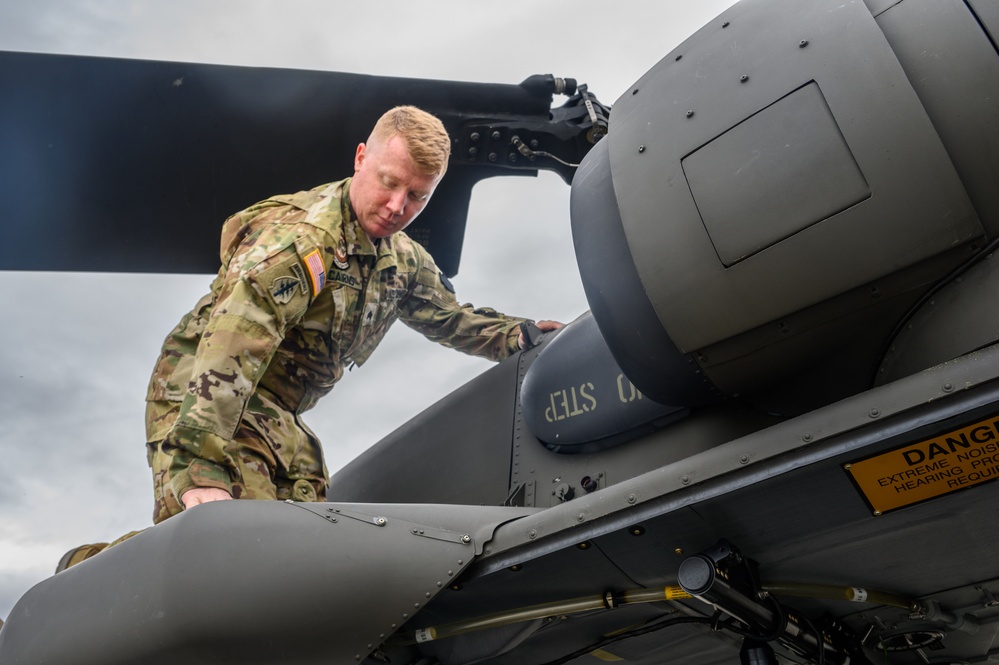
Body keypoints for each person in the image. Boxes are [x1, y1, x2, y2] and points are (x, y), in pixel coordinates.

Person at [136, 105, 560, 525]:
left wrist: (518, 336)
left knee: (308, 543)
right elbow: (236, 337)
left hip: (275, 414)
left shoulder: (402, 262)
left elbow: (449, 318)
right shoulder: (304, 240)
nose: (398, 206)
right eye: (389, 183)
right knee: (238, 541)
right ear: (361, 159)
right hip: (203, 396)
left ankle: (86, 564)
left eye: (417, 196)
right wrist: (200, 464)